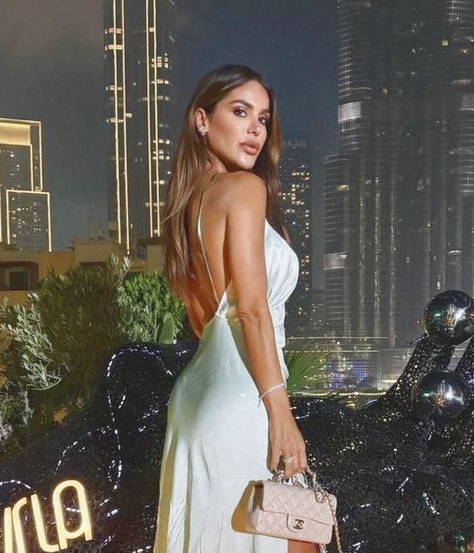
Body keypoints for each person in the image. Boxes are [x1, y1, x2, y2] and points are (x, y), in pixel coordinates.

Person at [154, 65, 312, 553]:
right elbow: (251, 311)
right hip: (248, 399)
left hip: (198, 399)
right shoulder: (245, 189)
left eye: (262, 119)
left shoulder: (186, 210)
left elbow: (205, 321)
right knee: (293, 537)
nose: (255, 130)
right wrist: (281, 414)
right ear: (202, 119)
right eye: (240, 112)